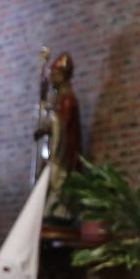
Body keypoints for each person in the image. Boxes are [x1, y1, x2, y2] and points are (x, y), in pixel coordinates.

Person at [33, 52, 83, 223]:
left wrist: (49, 124)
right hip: (53, 150)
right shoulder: (58, 99)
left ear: (63, 76)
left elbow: (63, 126)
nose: (52, 78)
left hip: (63, 154)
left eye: (55, 74)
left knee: (58, 184)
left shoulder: (68, 100)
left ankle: (60, 214)